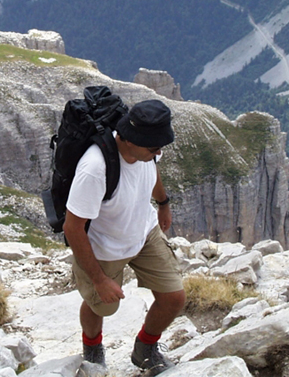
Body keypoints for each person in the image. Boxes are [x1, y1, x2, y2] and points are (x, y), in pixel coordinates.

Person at [63, 99, 186, 376]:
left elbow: (152, 170)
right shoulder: (95, 168)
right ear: (129, 139)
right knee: (102, 306)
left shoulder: (147, 151)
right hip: (105, 248)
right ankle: (92, 347)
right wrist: (99, 280)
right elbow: (73, 228)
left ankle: (145, 348)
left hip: (143, 233)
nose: (158, 151)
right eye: (153, 147)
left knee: (174, 297)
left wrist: (163, 203)